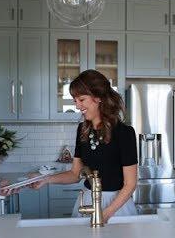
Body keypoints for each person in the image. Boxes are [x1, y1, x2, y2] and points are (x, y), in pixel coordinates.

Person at [30, 70, 137, 222]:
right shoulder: (83, 130)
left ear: (98, 98)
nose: (77, 106)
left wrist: (105, 214)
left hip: (116, 208)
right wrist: (45, 179)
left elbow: (130, 184)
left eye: (81, 99)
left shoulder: (124, 133)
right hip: (88, 200)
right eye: (75, 100)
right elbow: (74, 174)